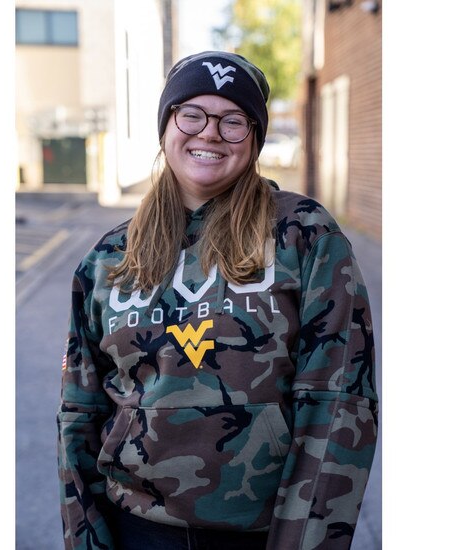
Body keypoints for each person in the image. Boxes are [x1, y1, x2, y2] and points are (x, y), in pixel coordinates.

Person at [57, 51, 378, 550]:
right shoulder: (108, 258)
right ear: (167, 125)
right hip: (135, 528)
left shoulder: (305, 236)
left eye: (233, 121)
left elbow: (338, 404)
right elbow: (80, 413)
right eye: (192, 114)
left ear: (254, 139)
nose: (208, 133)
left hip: (262, 531)